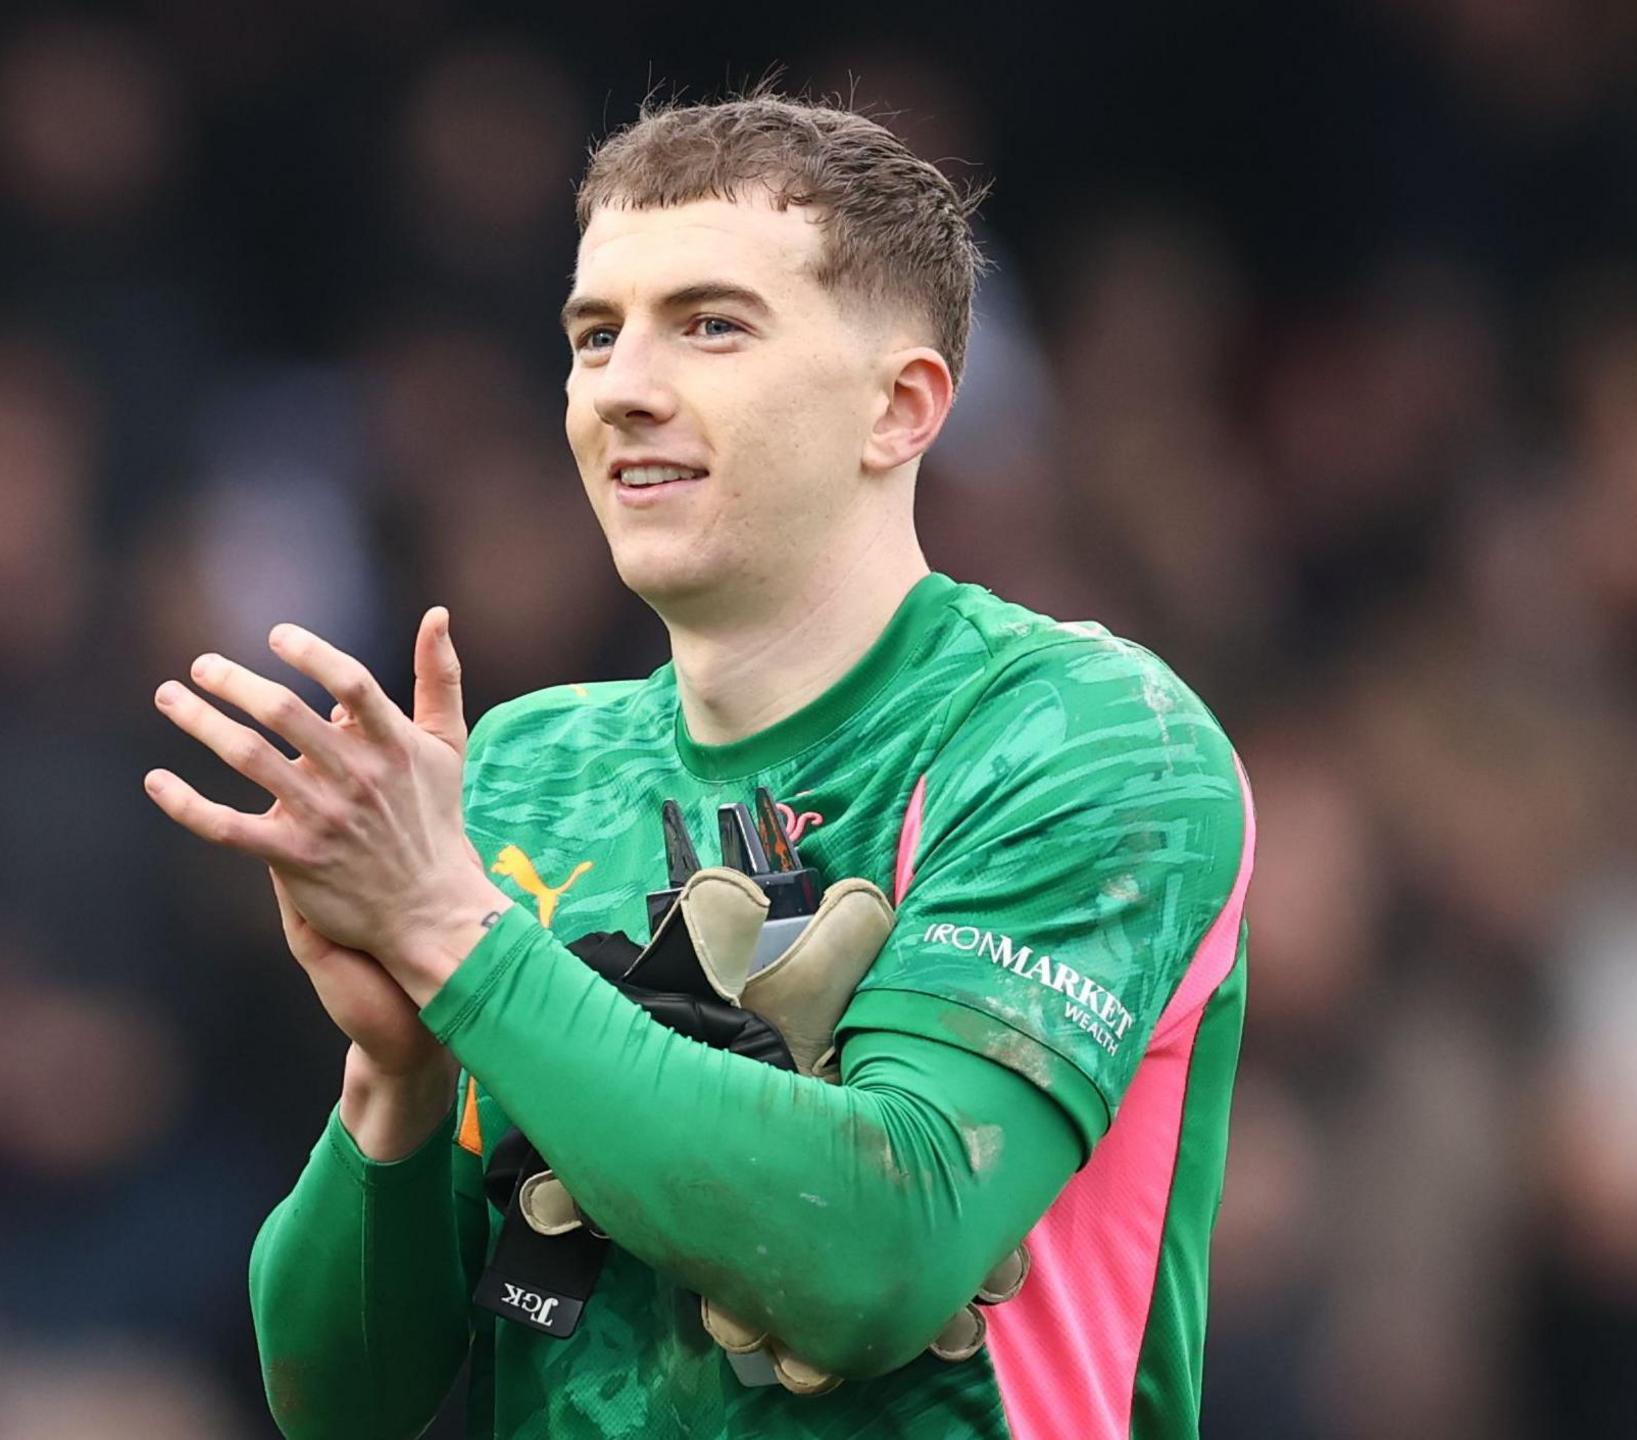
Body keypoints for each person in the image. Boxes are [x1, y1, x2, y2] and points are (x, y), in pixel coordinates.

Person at [146, 94, 1253, 1440]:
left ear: (900, 407)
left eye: (711, 325)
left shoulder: (1085, 736)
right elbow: (343, 1403)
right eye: (594, 336)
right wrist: (399, 1074)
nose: (623, 386)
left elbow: (878, 1266)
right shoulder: (521, 775)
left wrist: (453, 938)